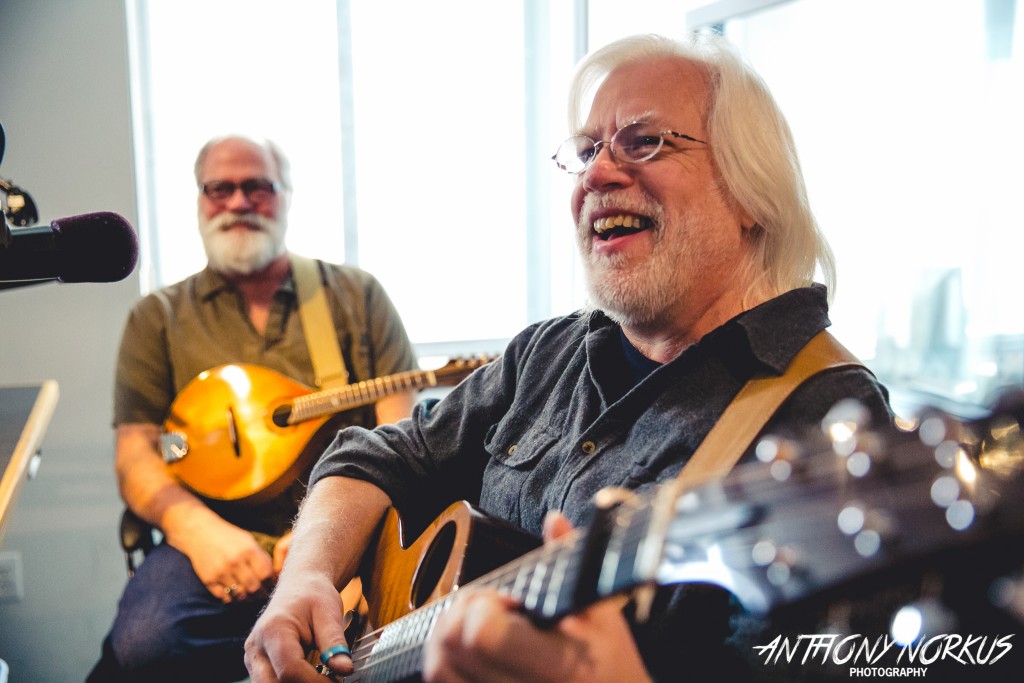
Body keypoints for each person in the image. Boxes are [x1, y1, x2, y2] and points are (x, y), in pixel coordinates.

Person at [244, 32, 893, 682]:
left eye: (644, 141)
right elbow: (379, 454)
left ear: (751, 192)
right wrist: (305, 577)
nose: (597, 174)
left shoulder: (830, 415)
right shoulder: (547, 352)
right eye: (587, 151)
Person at [87, 134, 418, 682]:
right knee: (145, 646)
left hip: (347, 532)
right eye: (220, 188)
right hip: (217, 541)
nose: (239, 202)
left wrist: (340, 541)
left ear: (285, 195)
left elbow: (401, 438)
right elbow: (137, 455)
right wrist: (196, 531)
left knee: (390, 646)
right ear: (200, 200)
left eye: (257, 187)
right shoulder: (157, 318)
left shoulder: (357, 296)